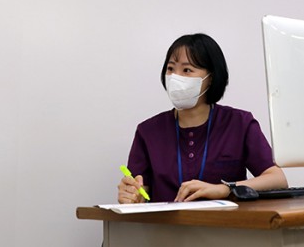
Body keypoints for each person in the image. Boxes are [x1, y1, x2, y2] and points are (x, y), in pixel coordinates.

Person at [117, 33, 287, 203]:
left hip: (226, 220)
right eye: (170, 69)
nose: (175, 77)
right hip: (165, 221)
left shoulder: (239, 123)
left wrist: (225, 189)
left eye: (187, 70)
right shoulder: (148, 131)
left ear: (210, 78)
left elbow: (278, 179)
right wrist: (132, 196)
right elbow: (140, 192)